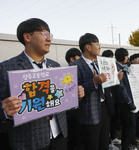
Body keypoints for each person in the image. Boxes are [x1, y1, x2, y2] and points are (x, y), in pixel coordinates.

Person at [0, 18, 85, 150]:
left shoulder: (56, 67)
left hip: (59, 136)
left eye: (49, 35)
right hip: (29, 142)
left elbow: (62, 100)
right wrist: (5, 111)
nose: (49, 39)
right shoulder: (6, 68)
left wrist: (76, 95)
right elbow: (3, 108)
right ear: (27, 37)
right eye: (44, 34)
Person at [70, 33, 110, 150]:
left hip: (104, 107)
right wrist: (94, 83)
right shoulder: (75, 66)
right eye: (97, 44)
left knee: (104, 142)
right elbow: (73, 91)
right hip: (88, 113)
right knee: (91, 144)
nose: (99, 47)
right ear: (88, 47)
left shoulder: (99, 63)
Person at [114, 48, 137, 150]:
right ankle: (125, 147)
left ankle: (126, 145)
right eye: (127, 56)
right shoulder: (116, 68)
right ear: (123, 56)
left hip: (129, 99)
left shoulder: (124, 67)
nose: (128, 58)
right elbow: (121, 87)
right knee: (129, 124)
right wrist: (129, 101)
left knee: (130, 124)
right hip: (124, 101)